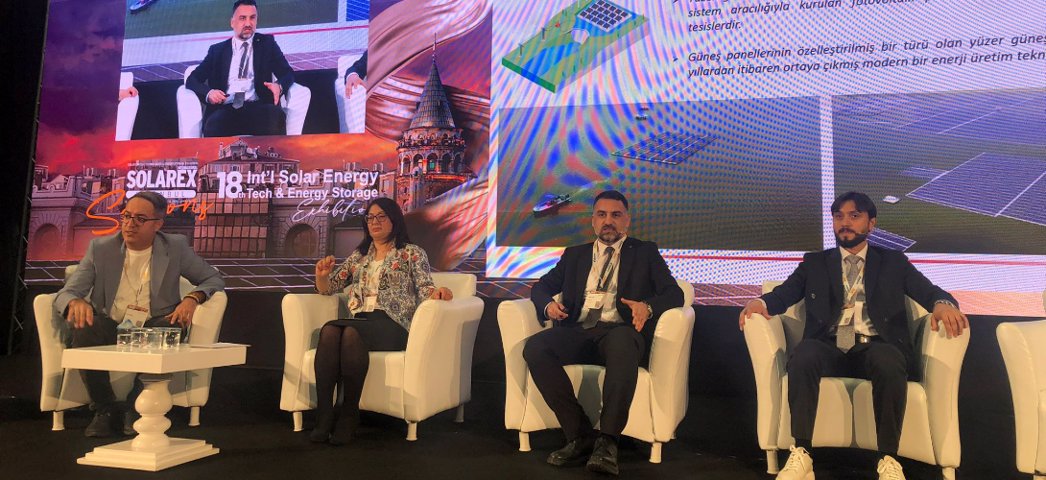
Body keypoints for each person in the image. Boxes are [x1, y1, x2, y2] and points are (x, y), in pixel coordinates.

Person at [739, 191, 969, 480]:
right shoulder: (815, 263)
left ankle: (888, 459)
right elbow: (784, 293)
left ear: (871, 223)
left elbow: (930, 291)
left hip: (875, 345)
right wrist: (760, 303)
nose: (845, 223)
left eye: (854, 216)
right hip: (830, 345)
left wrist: (943, 304)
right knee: (804, 354)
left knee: (888, 359)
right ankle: (802, 453)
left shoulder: (893, 262)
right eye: (839, 217)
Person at [523, 189, 683, 475]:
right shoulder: (575, 255)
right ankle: (579, 434)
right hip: (579, 330)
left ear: (626, 221)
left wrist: (647, 307)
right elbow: (542, 287)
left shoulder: (644, 252)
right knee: (535, 348)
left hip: (620, 331)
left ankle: (608, 442)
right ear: (593, 221)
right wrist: (548, 306)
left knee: (622, 342)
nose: (608, 221)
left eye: (616, 215)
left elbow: (674, 293)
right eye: (602, 215)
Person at [54, 191, 224, 437]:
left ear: (158, 224)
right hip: (113, 323)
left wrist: (192, 298)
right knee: (85, 326)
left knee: (171, 327)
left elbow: (213, 278)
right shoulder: (101, 248)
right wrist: (75, 301)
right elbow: (67, 292)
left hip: (155, 323)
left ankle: (135, 405)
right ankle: (104, 408)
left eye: (140, 219)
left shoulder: (174, 247)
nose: (130, 224)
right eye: (126, 216)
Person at [310, 197, 453, 445]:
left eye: (381, 216)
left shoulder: (412, 253)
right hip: (362, 320)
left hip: (393, 323)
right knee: (330, 331)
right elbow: (328, 288)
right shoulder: (359, 256)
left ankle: (349, 414)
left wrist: (439, 293)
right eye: (370, 217)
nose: (374, 222)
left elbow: (425, 288)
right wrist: (322, 276)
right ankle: (324, 416)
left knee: (350, 333)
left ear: (394, 219)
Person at [186, 0, 294, 137]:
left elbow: (287, 73)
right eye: (242, 18)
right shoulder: (217, 51)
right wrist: (209, 93)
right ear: (232, 22)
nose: (248, 23)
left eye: (252, 18)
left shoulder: (267, 44)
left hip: (259, 108)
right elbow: (192, 80)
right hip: (226, 109)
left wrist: (279, 86)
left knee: (274, 118)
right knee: (214, 125)